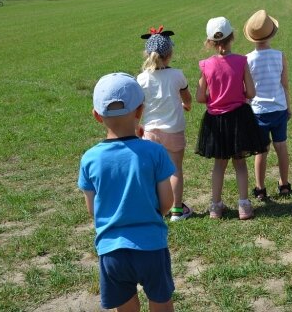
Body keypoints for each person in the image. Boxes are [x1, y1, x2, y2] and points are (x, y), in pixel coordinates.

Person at [78, 73, 176, 312]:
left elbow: (93, 209)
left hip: (112, 252)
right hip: (151, 246)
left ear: (96, 115)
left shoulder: (90, 158)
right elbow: (167, 202)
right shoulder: (155, 152)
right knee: (161, 302)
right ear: (140, 111)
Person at [196, 16, 268, 220]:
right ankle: (244, 205)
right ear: (232, 37)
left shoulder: (206, 65)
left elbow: (201, 96)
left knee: (219, 165)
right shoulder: (241, 61)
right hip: (238, 118)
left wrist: (215, 97)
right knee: (240, 164)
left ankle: (215, 207)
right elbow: (251, 92)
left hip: (216, 120)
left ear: (210, 42)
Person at [137, 26, 193, 222]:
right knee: (175, 169)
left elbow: (139, 106)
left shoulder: (142, 79)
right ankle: (177, 210)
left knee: (154, 172)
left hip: (150, 131)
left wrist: (138, 127)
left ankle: (156, 208)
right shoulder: (177, 75)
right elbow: (187, 98)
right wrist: (185, 104)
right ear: (169, 54)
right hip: (174, 130)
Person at [244, 10, 292, 200]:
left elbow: (247, 89)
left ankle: (260, 188)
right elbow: (285, 84)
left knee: (261, 152)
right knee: (281, 147)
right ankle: (284, 184)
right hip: (279, 108)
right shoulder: (280, 55)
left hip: (258, 111)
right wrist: (288, 106)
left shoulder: (247, 59)